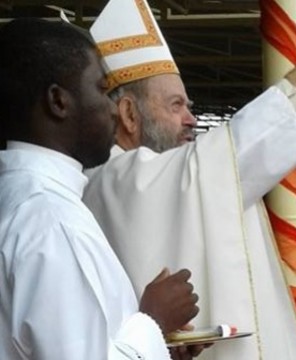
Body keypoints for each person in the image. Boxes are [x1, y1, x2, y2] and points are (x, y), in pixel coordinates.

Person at [81, 0, 296, 359]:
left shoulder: (139, 175)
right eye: (176, 106)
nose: (191, 119)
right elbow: (222, 159)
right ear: (129, 114)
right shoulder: (113, 180)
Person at [0, 18, 199, 360]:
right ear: (58, 101)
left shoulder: (19, 196)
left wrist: (158, 346)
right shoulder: (51, 221)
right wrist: (153, 320)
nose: (113, 110)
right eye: (103, 90)